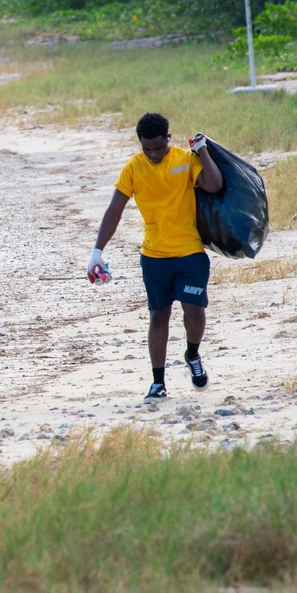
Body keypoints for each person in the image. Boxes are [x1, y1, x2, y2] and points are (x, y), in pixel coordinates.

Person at [88, 112, 223, 403]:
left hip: (189, 253)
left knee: (194, 309)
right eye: (146, 148)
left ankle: (192, 353)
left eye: (158, 148)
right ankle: (158, 382)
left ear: (168, 140)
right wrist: (97, 251)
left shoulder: (185, 160)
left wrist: (202, 151)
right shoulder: (133, 168)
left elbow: (214, 184)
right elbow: (114, 210)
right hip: (153, 257)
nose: (152, 154)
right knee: (159, 316)